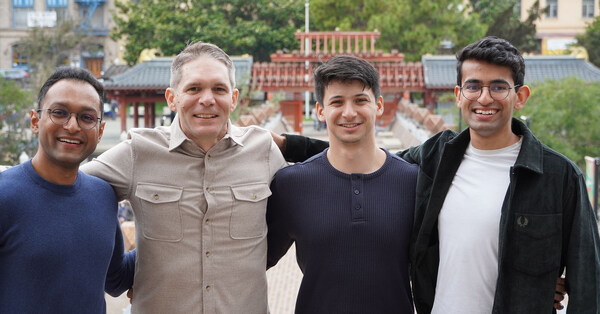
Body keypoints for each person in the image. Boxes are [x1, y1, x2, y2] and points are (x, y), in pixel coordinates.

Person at [275, 37, 599, 313]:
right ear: (459, 94)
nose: (484, 98)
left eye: (498, 87)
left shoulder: (558, 177)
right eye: (474, 86)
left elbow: (588, 279)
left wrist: (538, 280)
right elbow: (363, 158)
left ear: (521, 95)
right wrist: (289, 144)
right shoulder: (437, 159)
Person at [82, 42, 286, 313]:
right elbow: (70, 190)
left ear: (234, 98)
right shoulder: (138, 152)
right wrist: (123, 267)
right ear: (172, 97)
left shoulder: (264, 150)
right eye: (193, 88)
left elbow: (300, 206)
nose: (207, 99)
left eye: (219, 89)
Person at [267, 55, 418, 313]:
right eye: (337, 102)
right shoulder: (291, 184)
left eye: (360, 100)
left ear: (378, 105)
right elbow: (252, 261)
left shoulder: (413, 182)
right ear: (321, 110)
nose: (349, 112)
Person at [0, 67, 135, 312]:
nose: (72, 126)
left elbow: (115, 279)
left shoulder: (103, 195)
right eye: (59, 113)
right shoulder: (5, 196)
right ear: (35, 121)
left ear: (100, 131)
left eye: (87, 117)